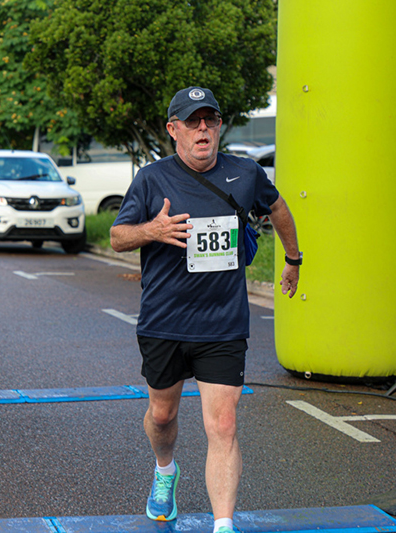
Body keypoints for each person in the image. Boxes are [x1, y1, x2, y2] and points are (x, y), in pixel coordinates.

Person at [110, 87, 301, 532]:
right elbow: (118, 237)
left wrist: (293, 260)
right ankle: (164, 471)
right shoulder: (152, 179)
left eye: (210, 120)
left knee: (224, 423)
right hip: (165, 319)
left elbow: (278, 208)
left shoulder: (246, 173)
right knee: (163, 415)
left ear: (219, 127)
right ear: (173, 129)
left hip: (223, 321)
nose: (203, 129)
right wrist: (153, 230)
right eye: (193, 122)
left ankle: (223, 523)